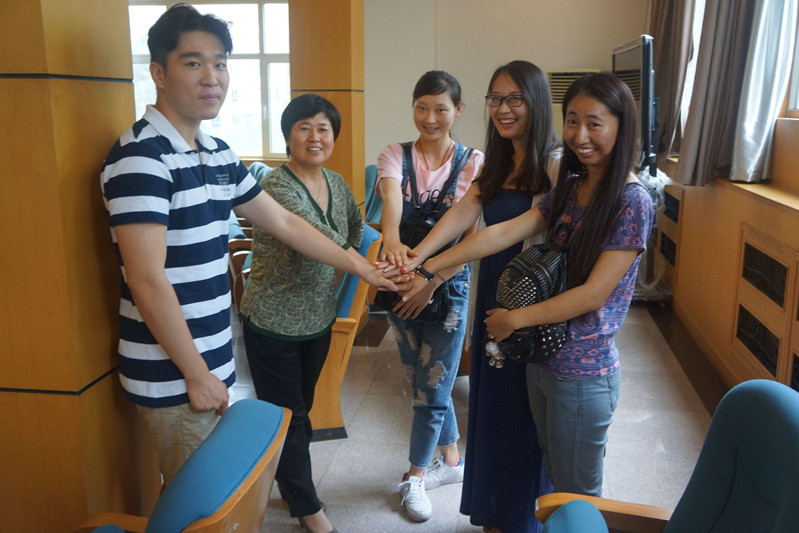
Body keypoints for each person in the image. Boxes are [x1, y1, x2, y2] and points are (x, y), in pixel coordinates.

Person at [100, 4, 394, 488]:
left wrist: (362, 267)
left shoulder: (216, 152)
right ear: (159, 73)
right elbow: (146, 279)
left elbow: (284, 222)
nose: (212, 77)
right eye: (193, 63)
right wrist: (196, 373)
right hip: (173, 371)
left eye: (220, 63)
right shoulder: (142, 158)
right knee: (200, 505)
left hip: (210, 356)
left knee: (216, 495)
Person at [403, 72, 655, 501]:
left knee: (577, 495)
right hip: (544, 353)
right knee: (553, 477)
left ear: (622, 126)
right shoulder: (575, 186)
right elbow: (502, 231)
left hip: (582, 367)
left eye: (594, 123)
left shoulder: (631, 200)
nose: (580, 135)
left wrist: (514, 319)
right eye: (572, 121)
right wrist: (429, 268)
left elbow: (594, 294)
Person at [383, 60, 560, 532]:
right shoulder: (499, 162)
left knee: (521, 409)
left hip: (528, 297)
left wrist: (430, 270)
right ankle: (494, 511)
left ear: (536, 102)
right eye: (496, 99)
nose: (503, 109)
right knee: (491, 401)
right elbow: (462, 214)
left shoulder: (554, 163)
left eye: (514, 99)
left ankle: (521, 517)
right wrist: (415, 258)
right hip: (492, 289)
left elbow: (499, 233)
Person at [238, 93, 357, 533]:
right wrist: (365, 269)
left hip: (317, 318)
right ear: (288, 136)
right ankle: (310, 510)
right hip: (273, 321)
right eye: (304, 127)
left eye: (324, 128)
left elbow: (355, 228)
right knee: (288, 417)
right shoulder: (277, 185)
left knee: (301, 410)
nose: (315, 136)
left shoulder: (336, 182)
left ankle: (290, 485)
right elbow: (320, 234)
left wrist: (386, 256)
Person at [375, 70, 485, 523]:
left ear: (458, 110)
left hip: (448, 283)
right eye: (422, 107)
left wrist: (434, 281)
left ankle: (416, 475)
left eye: (441, 109)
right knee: (419, 377)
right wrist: (391, 240)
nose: (430, 118)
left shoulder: (473, 162)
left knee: (434, 384)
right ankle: (453, 461)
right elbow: (391, 204)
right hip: (401, 278)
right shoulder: (394, 154)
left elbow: (469, 238)